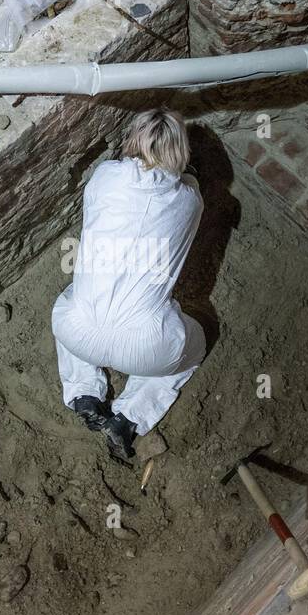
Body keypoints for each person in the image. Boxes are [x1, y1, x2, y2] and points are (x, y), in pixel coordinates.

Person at [52, 109, 207, 462]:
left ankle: (83, 393)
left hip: (76, 333)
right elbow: (187, 187)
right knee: (193, 346)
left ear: (133, 141)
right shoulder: (190, 202)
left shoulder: (103, 178)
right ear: (181, 155)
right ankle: (128, 418)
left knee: (73, 301)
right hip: (146, 347)